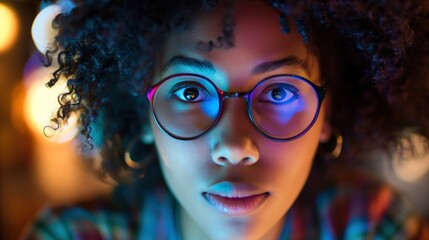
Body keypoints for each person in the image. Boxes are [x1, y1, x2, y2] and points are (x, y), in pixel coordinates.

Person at [24, 0, 429, 239]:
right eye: (189, 92)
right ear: (143, 112)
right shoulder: (76, 234)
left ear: (328, 111)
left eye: (279, 92)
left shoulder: (370, 225)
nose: (235, 146)